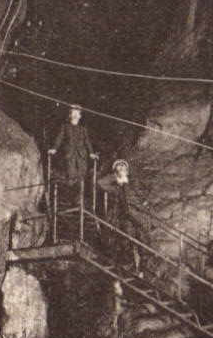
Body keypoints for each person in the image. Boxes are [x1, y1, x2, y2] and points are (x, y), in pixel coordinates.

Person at [47, 104, 97, 237]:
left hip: (81, 158)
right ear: (69, 115)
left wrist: (91, 154)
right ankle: (71, 200)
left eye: (77, 113)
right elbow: (59, 139)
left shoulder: (83, 130)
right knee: (71, 177)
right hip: (69, 157)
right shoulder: (65, 127)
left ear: (80, 116)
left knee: (81, 177)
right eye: (72, 113)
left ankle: (78, 201)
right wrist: (54, 149)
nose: (75, 115)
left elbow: (87, 143)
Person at [99, 159, 143, 275]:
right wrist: (115, 178)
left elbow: (141, 198)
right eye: (118, 167)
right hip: (123, 219)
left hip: (137, 219)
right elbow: (101, 183)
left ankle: (138, 268)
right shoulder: (116, 189)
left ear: (127, 171)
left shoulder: (134, 185)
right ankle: (129, 267)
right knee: (125, 241)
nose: (121, 168)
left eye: (123, 166)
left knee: (139, 243)